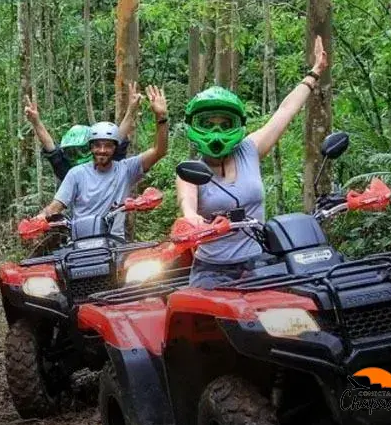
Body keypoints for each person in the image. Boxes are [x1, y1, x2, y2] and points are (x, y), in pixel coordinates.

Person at [177, 36, 329, 289]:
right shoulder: (190, 170)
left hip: (258, 262)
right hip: (212, 269)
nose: (217, 131)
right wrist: (194, 221)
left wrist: (314, 73)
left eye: (224, 124)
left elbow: (284, 112)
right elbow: (187, 204)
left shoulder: (249, 150)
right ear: (196, 126)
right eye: (208, 124)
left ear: (235, 124)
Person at [32, 82, 169, 240]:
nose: (102, 150)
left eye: (107, 146)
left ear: (115, 148)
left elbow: (160, 151)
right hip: (79, 243)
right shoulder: (75, 173)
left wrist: (161, 117)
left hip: (114, 243)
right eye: (97, 145)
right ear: (91, 147)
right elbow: (56, 205)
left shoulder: (126, 169)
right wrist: (39, 219)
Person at [24, 86, 149, 181]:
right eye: (72, 152)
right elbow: (50, 147)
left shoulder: (108, 161)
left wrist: (132, 109)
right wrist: (36, 121)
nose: (77, 156)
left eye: (81, 150)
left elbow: (118, 137)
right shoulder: (68, 171)